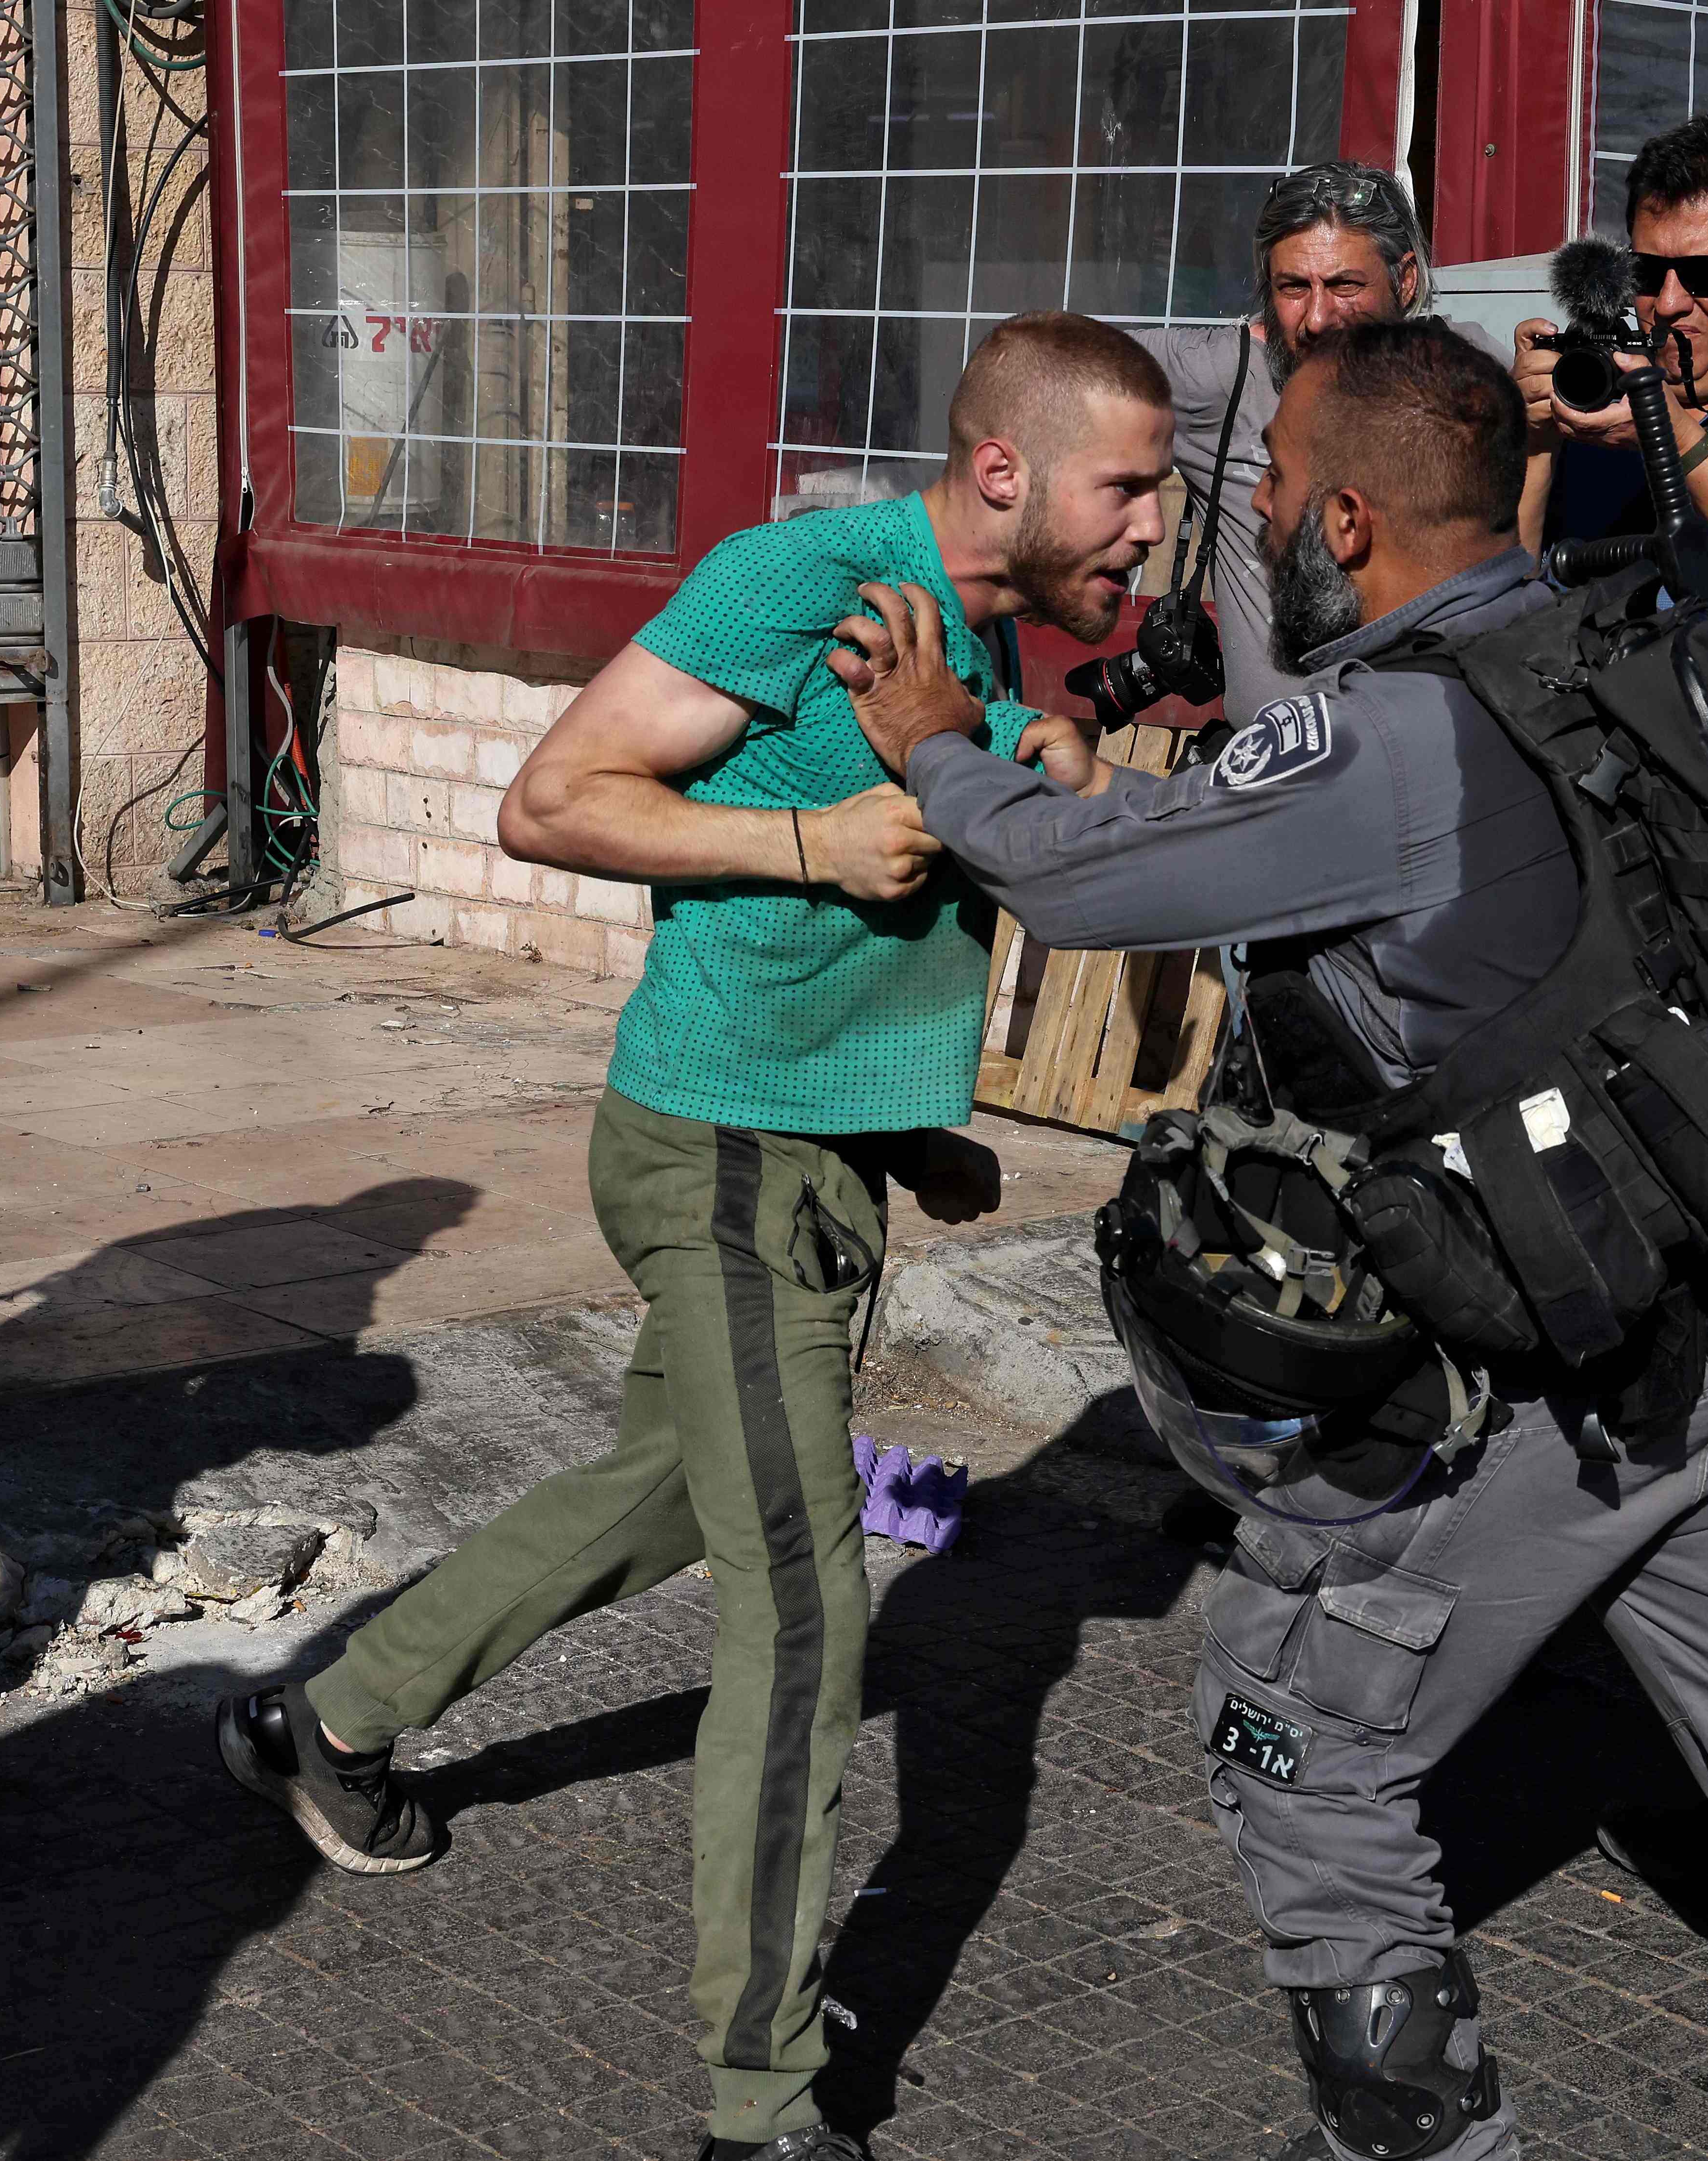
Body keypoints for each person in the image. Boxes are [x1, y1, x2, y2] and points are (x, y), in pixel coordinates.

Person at [828, 319, 1708, 2161]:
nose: (1265, 528)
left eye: (1282, 498)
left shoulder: (1383, 732)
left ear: (1356, 522)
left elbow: (1074, 878)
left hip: (1549, 1358)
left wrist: (938, 745)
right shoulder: (1618, 647)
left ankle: (1419, 2137)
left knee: (1295, 1729)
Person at [215, 311, 1172, 2161]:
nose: (1149, 522)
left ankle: (327, 1719)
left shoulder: (976, 630)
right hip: (723, 1149)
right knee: (807, 1601)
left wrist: (914, 1129)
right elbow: (556, 797)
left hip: (815, 1153)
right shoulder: (804, 577)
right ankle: (764, 2101)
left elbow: (904, 880)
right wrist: (810, 847)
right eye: (1125, 484)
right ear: (1004, 471)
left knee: (669, 1485)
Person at [1130, 162, 1432, 729]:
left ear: (1405, 281)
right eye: (1293, 287)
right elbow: (1040, 363)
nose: (1317, 319)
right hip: (1267, 776)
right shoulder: (1229, 376)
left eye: (1345, 285)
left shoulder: (1465, 376)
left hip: (1414, 766)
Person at [1516, 116, 1708, 591]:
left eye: (1706, 274)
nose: (1669, 304)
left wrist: (1672, 435)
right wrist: (1536, 447)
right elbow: (1505, 612)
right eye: (1646, 272)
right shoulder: (1597, 401)